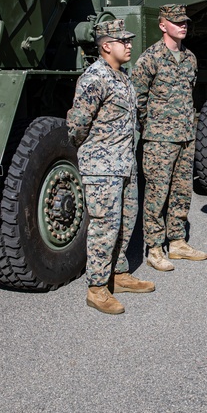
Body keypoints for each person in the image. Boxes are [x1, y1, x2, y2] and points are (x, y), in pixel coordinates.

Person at [67, 18, 155, 314]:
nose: (129, 45)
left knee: (125, 223)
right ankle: (97, 287)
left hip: (124, 164)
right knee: (104, 227)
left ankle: (118, 274)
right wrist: (93, 153)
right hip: (102, 167)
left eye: (129, 40)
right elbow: (77, 125)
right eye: (123, 41)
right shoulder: (95, 78)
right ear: (106, 46)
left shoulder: (122, 77)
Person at [131, 4, 207, 272]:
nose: (183, 26)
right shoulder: (149, 58)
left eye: (185, 22)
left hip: (186, 136)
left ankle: (177, 241)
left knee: (181, 192)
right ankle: (154, 248)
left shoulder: (190, 59)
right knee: (156, 194)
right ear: (163, 25)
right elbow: (137, 99)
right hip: (159, 140)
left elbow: (190, 93)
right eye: (176, 22)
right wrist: (153, 127)